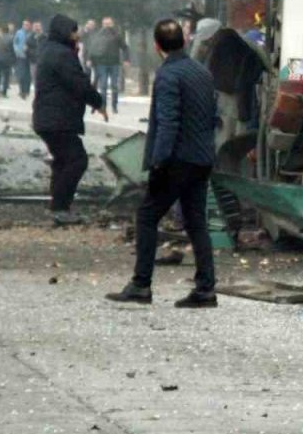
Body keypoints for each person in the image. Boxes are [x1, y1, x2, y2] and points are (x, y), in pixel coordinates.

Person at [106, 19, 219, 308]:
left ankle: (141, 284)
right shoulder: (201, 72)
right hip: (202, 158)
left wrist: (158, 162)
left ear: (157, 47)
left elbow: (168, 123)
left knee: (146, 216)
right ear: (183, 40)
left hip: (176, 161)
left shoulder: (168, 76)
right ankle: (206, 289)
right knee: (196, 223)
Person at [32, 15, 107, 226]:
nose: (78, 35)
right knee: (77, 160)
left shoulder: (50, 49)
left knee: (62, 161)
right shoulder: (62, 55)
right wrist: (98, 102)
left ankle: (58, 207)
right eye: (74, 31)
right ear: (65, 33)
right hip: (58, 119)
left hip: (49, 118)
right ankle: (60, 208)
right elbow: (78, 83)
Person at [91, 17, 129, 115]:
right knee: (103, 85)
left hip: (114, 63)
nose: (107, 26)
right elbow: (92, 48)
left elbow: (125, 47)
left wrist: (126, 59)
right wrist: (91, 60)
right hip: (101, 64)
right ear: (102, 25)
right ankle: (103, 106)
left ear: (112, 24)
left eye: (109, 24)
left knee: (114, 85)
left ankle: (114, 106)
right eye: (105, 24)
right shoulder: (98, 35)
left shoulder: (117, 35)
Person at [0, 24, 16, 98]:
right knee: (6, 76)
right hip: (6, 60)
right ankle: (4, 92)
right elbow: (12, 50)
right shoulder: (10, 39)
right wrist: (14, 59)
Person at [14, 19, 32, 98]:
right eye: (24, 25)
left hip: (29, 57)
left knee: (28, 75)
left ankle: (27, 90)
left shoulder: (31, 34)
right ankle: (22, 90)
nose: (26, 26)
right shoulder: (19, 33)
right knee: (21, 74)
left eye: (27, 25)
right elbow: (15, 43)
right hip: (21, 56)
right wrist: (17, 51)